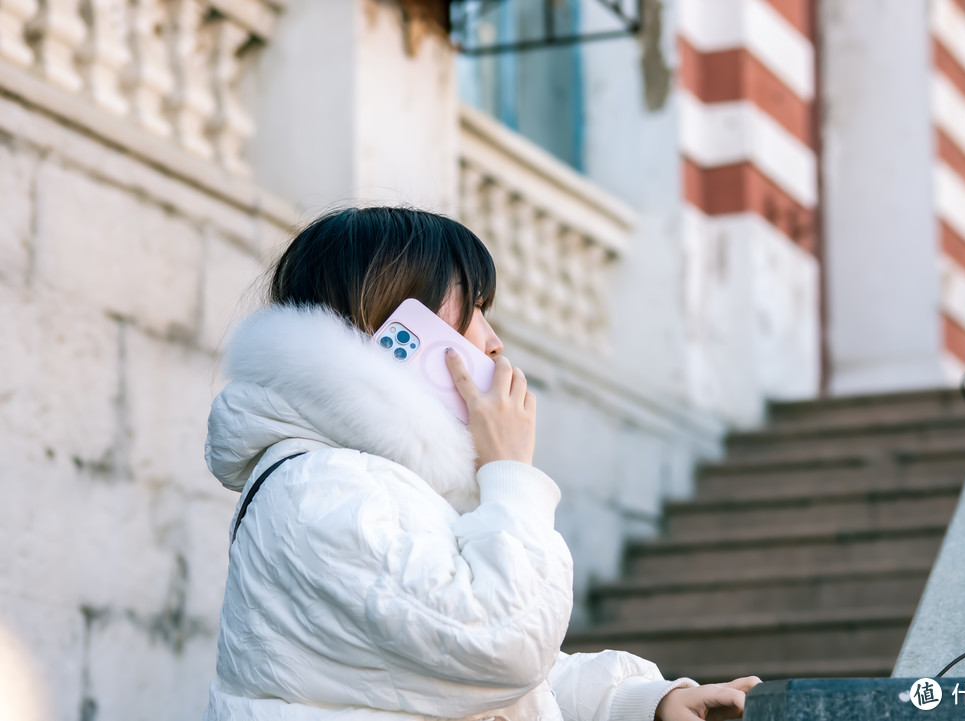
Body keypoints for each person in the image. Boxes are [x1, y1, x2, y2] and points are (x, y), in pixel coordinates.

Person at [203, 206, 760, 720]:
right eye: (474, 312)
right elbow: (497, 645)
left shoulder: (369, 481)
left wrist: (643, 701)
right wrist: (511, 475)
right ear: (395, 323)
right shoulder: (320, 490)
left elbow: (462, 676)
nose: (493, 344)